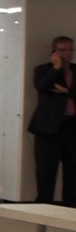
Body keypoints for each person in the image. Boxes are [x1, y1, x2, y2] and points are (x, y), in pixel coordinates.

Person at [27, 35, 76, 205]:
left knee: (72, 168)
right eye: (63, 50)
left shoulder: (75, 70)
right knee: (46, 168)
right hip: (48, 126)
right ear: (54, 52)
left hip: (71, 125)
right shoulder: (43, 69)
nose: (68, 53)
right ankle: (44, 204)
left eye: (70, 50)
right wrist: (56, 68)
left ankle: (70, 205)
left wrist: (66, 91)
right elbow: (42, 85)